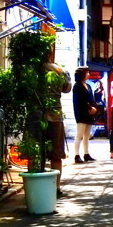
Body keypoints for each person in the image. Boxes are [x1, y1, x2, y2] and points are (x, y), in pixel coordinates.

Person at [46, 60, 72, 195]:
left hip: (36, 114)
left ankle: (36, 186)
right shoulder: (58, 70)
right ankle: (56, 187)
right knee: (56, 153)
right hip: (55, 115)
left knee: (35, 153)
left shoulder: (31, 69)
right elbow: (67, 88)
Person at [72, 67, 97, 164]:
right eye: (87, 72)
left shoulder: (88, 86)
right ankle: (76, 155)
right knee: (79, 135)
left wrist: (95, 108)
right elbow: (79, 101)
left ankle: (86, 154)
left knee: (86, 135)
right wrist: (89, 107)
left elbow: (92, 99)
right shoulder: (77, 86)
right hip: (81, 112)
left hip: (89, 113)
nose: (88, 74)